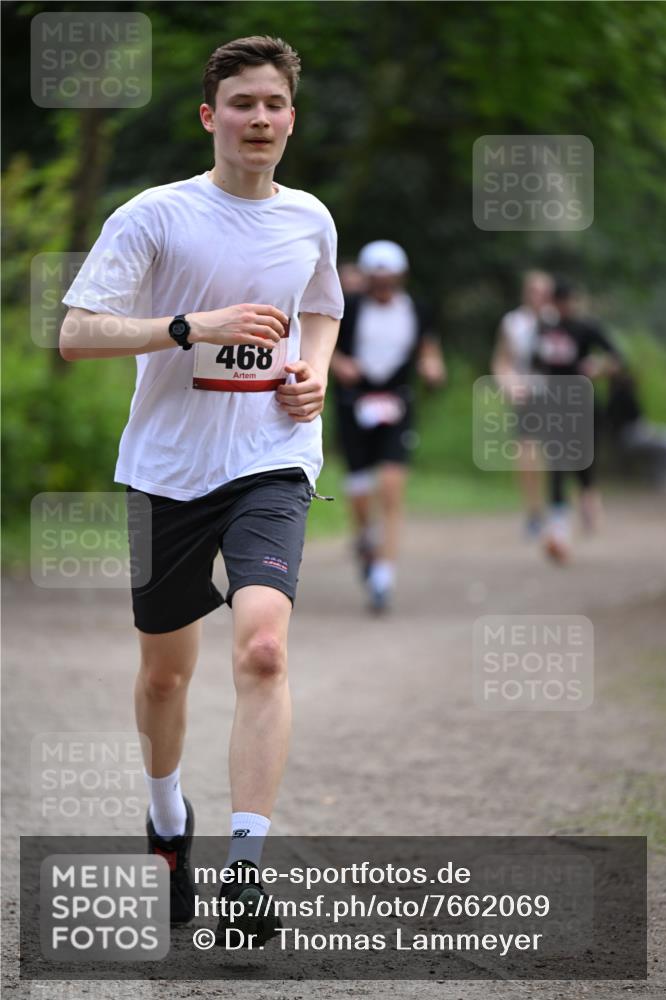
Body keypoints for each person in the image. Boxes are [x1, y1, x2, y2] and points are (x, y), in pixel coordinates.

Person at [59, 35, 344, 946]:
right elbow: (77, 333)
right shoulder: (157, 214)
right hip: (168, 472)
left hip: (273, 460)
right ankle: (166, 816)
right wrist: (191, 326)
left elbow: (321, 307)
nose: (259, 118)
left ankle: (246, 869)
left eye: (273, 104)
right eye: (242, 104)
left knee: (262, 649)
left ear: (291, 118)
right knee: (163, 674)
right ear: (209, 116)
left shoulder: (310, 218)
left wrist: (314, 372)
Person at [330, 240, 446, 612]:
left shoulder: (417, 309)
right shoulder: (348, 309)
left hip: (397, 402)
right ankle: (365, 535)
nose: (383, 288)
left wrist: (432, 367)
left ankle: (383, 576)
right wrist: (339, 364)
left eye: (389, 281)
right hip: (354, 403)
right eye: (376, 281)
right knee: (360, 490)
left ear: (400, 278)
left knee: (393, 486)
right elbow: (321, 343)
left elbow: (428, 346)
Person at [532, 278, 623, 562]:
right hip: (555, 404)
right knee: (557, 463)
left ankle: (588, 496)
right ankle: (558, 531)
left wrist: (599, 367)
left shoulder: (587, 327)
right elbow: (536, 363)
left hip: (584, 404)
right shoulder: (544, 329)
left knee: (584, 463)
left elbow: (617, 358)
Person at [491, 270, 554, 537]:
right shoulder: (513, 322)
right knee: (527, 452)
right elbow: (501, 361)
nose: (538, 297)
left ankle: (563, 504)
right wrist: (509, 383)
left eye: (543, 292)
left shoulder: (559, 321)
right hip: (527, 393)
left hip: (557, 393)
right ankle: (534, 510)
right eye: (534, 291)